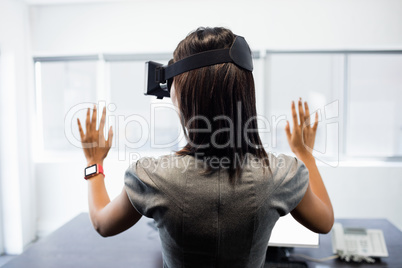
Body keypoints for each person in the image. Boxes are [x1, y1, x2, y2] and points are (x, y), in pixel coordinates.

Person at [77, 27, 334, 268]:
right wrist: (305, 154)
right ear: (245, 93)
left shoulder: (151, 176)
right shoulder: (281, 174)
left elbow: (102, 223)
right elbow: (324, 222)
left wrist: (93, 161)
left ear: (182, 98)